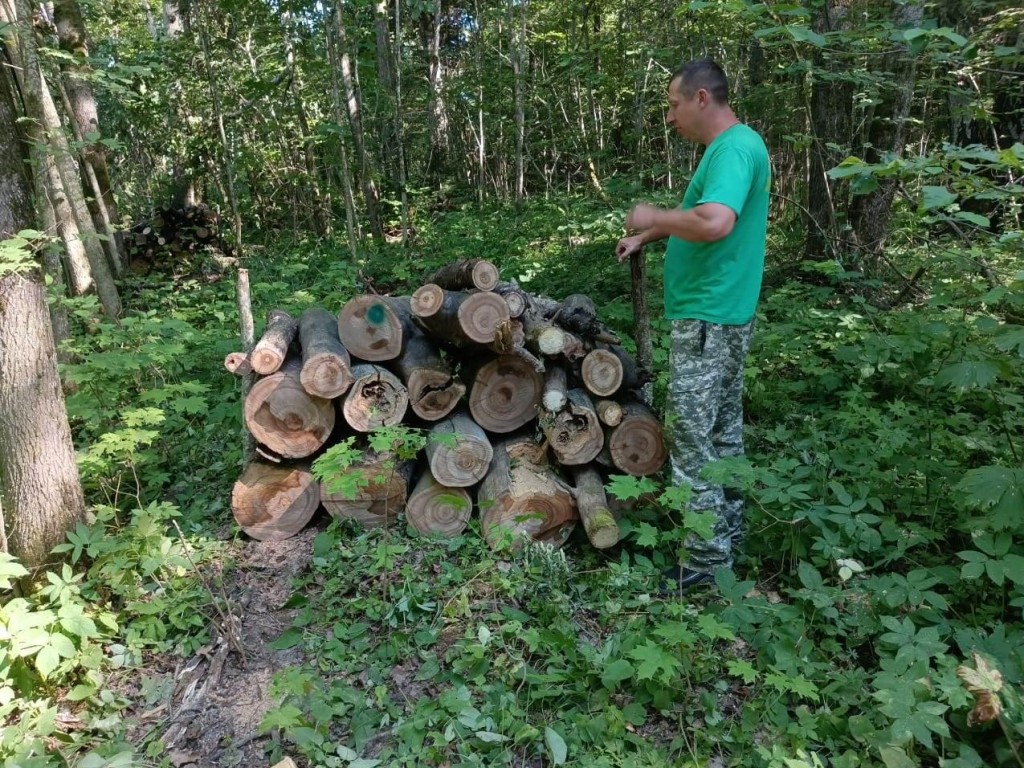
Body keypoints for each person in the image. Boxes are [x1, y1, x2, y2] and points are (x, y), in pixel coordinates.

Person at [616, 58, 770, 592]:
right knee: (723, 433)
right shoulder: (736, 146)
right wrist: (649, 238)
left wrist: (652, 216)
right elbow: (699, 215)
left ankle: (702, 564)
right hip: (722, 315)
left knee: (689, 436)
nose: (668, 116)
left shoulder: (732, 149)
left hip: (709, 316)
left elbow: (714, 222)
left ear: (702, 98)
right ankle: (728, 540)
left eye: (672, 104)